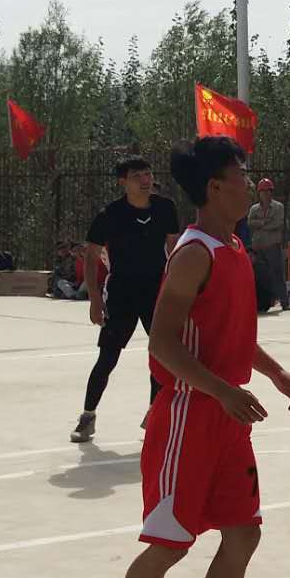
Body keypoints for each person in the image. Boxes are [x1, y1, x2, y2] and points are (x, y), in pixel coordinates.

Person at [97, 136, 290, 578]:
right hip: (188, 418)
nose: (250, 183)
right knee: (170, 544)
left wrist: (277, 373)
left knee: (243, 534)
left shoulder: (233, 247)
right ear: (215, 187)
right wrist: (221, 390)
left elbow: (233, 336)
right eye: (241, 175)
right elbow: (161, 343)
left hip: (227, 417)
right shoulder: (194, 253)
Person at [71, 156, 182, 444]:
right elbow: (91, 257)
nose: (145, 180)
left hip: (156, 290)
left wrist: (180, 292)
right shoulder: (110, 214)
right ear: (123, 181)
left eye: (148, 174)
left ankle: (154, 416)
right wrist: (95, 299)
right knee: (108, 356)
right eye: (137, 176)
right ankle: (88, 415)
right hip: (122, 291)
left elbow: (175, 252)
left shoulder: (165, 208)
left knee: (162, 355)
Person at [246, 177, 289, 313]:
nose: (265, 194)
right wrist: (264, 223)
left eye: (267, 191)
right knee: (260, 277)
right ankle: (263, 302)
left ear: (271, 192)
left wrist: (261, 225)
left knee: (277, 274)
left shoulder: (278, 207)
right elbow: (250, 223)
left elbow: (278, 224)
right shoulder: (254, 209)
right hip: (258, 247)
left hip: (272, 246)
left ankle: (284, 302)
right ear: (259, 193)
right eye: (262, 191)